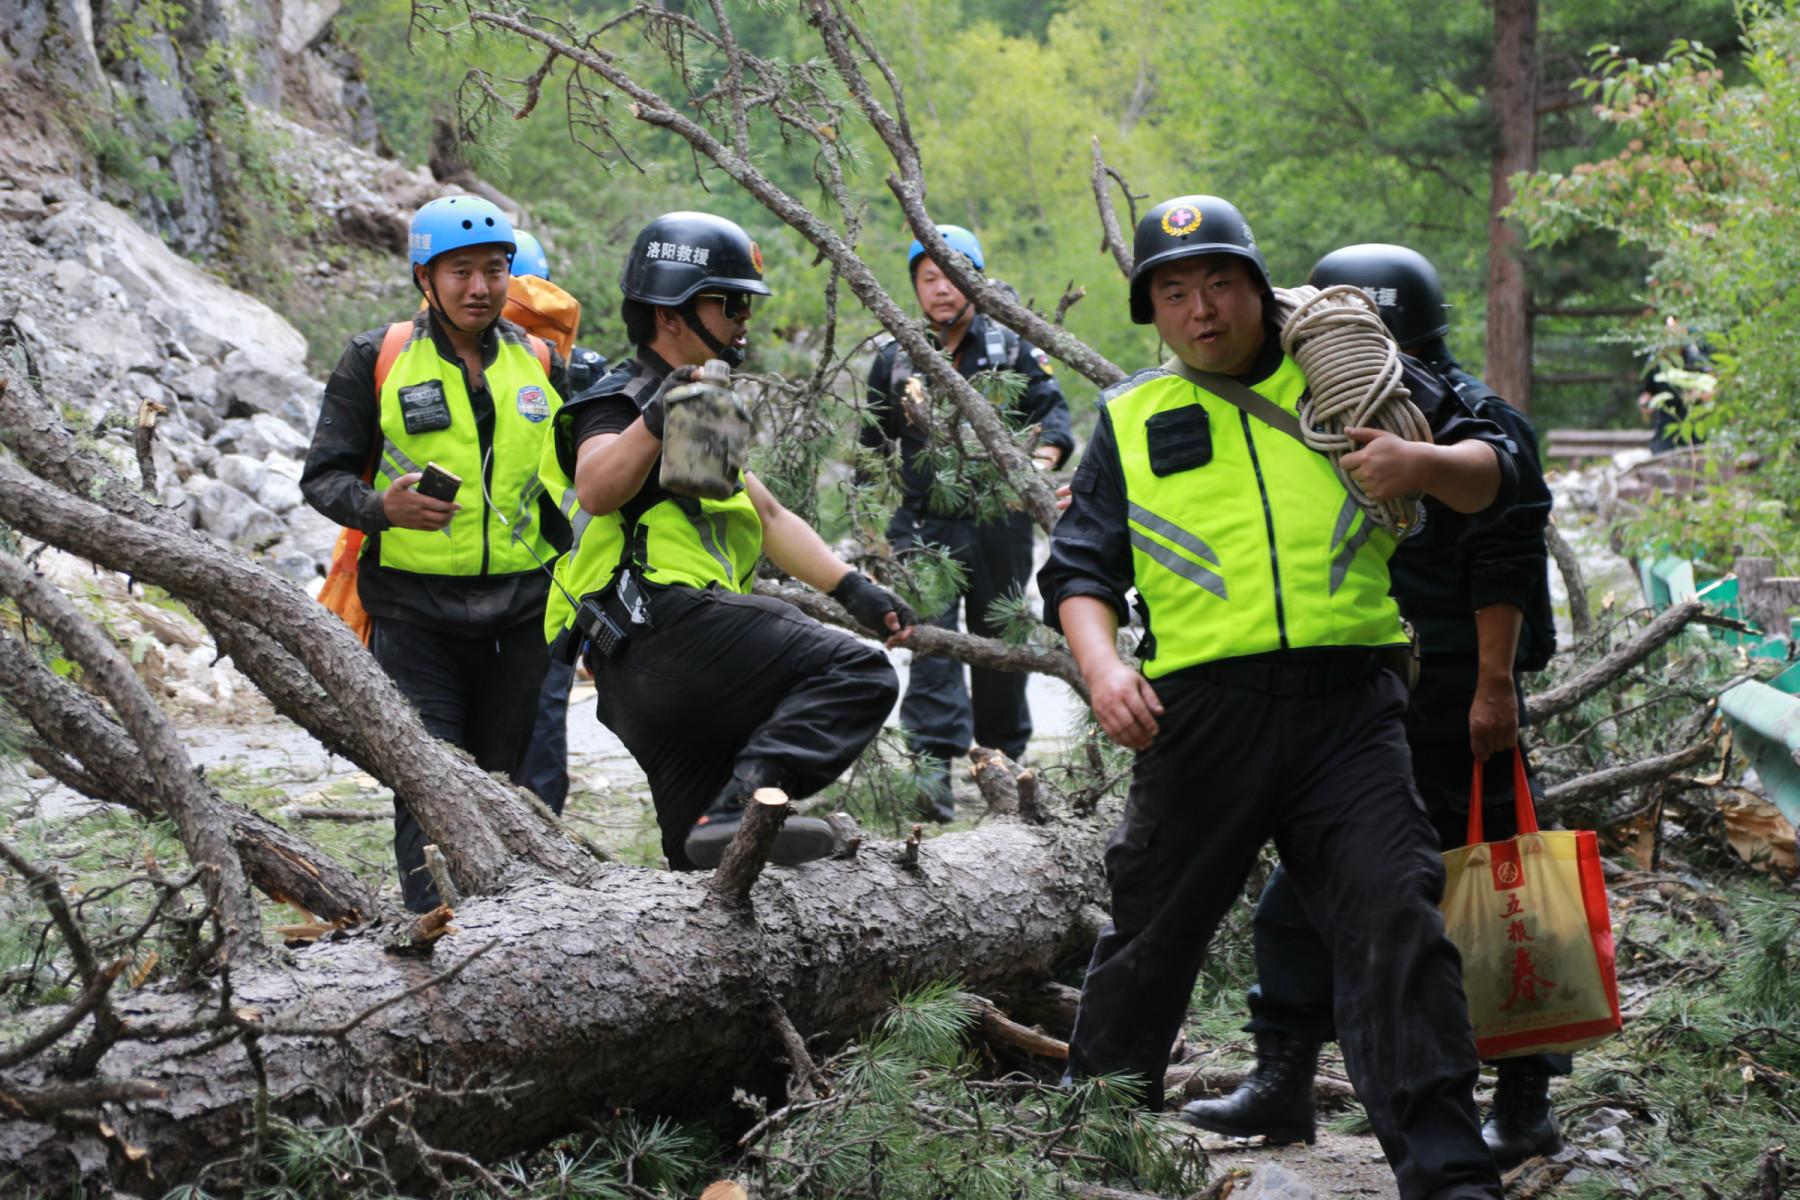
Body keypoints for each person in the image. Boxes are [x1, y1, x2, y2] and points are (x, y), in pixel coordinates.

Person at [1041, 195, 1516, 1200]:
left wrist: (1417, 461)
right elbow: (1078, 572)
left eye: (1219, 282)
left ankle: (1450, 1177)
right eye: (1174, 292)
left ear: (1258, 287)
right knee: (1150, 937)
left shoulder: (1349, 372)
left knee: (1397, 918)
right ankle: (1089, 1147)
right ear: (1153, 312)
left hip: (1350, 709)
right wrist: (1103, 668)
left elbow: (1493, 474)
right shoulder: (1132, 418)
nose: (1201, 309)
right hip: (1200, 719)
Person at [1178, 243, 1563, 1169]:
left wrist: (1495, 689)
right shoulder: (1310, 414)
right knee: (1301, 895)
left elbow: (1505, 547)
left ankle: (1524, 1099)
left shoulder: (1465, 413)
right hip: (1366, 698)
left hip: (1462, 703)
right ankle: (1283, 1081)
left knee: (1507, 901)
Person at [541, 211, 914, 870]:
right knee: (854, 672)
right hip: (664, 624)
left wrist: (852, 586)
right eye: (731, 302)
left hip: (645, 669)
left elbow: (766, 514)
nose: (745, 318)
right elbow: (597, 487)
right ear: (671, 312)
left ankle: (721, 876)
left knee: (708, 859)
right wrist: (659, 413)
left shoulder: (700, 404)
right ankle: (755, 796)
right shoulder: (618, 400)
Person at [301, 195, 569, 912]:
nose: (480, 287)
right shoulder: (378, 358)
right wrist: (380, 509)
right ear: (426, 275)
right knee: (429, 785)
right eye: (461, 272)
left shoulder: (542, 360)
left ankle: (525, 930)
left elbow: (576, 481)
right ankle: (436, 929)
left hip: (521, 614)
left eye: (494, 269)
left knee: (511, 788)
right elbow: (322, 477)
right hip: (415, 616)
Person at [862, 225, 1074, 821]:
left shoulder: (1012, 348)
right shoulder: (894, 355)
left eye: (952, 275)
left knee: (999, 639)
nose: (940, 289)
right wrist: (873, 531)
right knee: (926, 640)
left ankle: (1005, 764)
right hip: (923, 522)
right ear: (915, 287)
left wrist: (1029, 471)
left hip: (998, 523)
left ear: (974, 280)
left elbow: (1054, 420)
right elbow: (871, 447)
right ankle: (931, 774)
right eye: (927, 277)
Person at [503, 230, 609, 815]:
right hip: (566, 564)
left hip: (502, 564)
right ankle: (540, 821)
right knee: (543, 701)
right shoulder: (582, 370)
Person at [1638, 315, 1713, 453]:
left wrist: (1697, 395)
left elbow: (1712, 388)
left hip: (1695, 424)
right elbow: (1647, 391)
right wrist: (1646, 404)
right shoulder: (1656, 362)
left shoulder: (1695, 358)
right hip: (1667, 425)